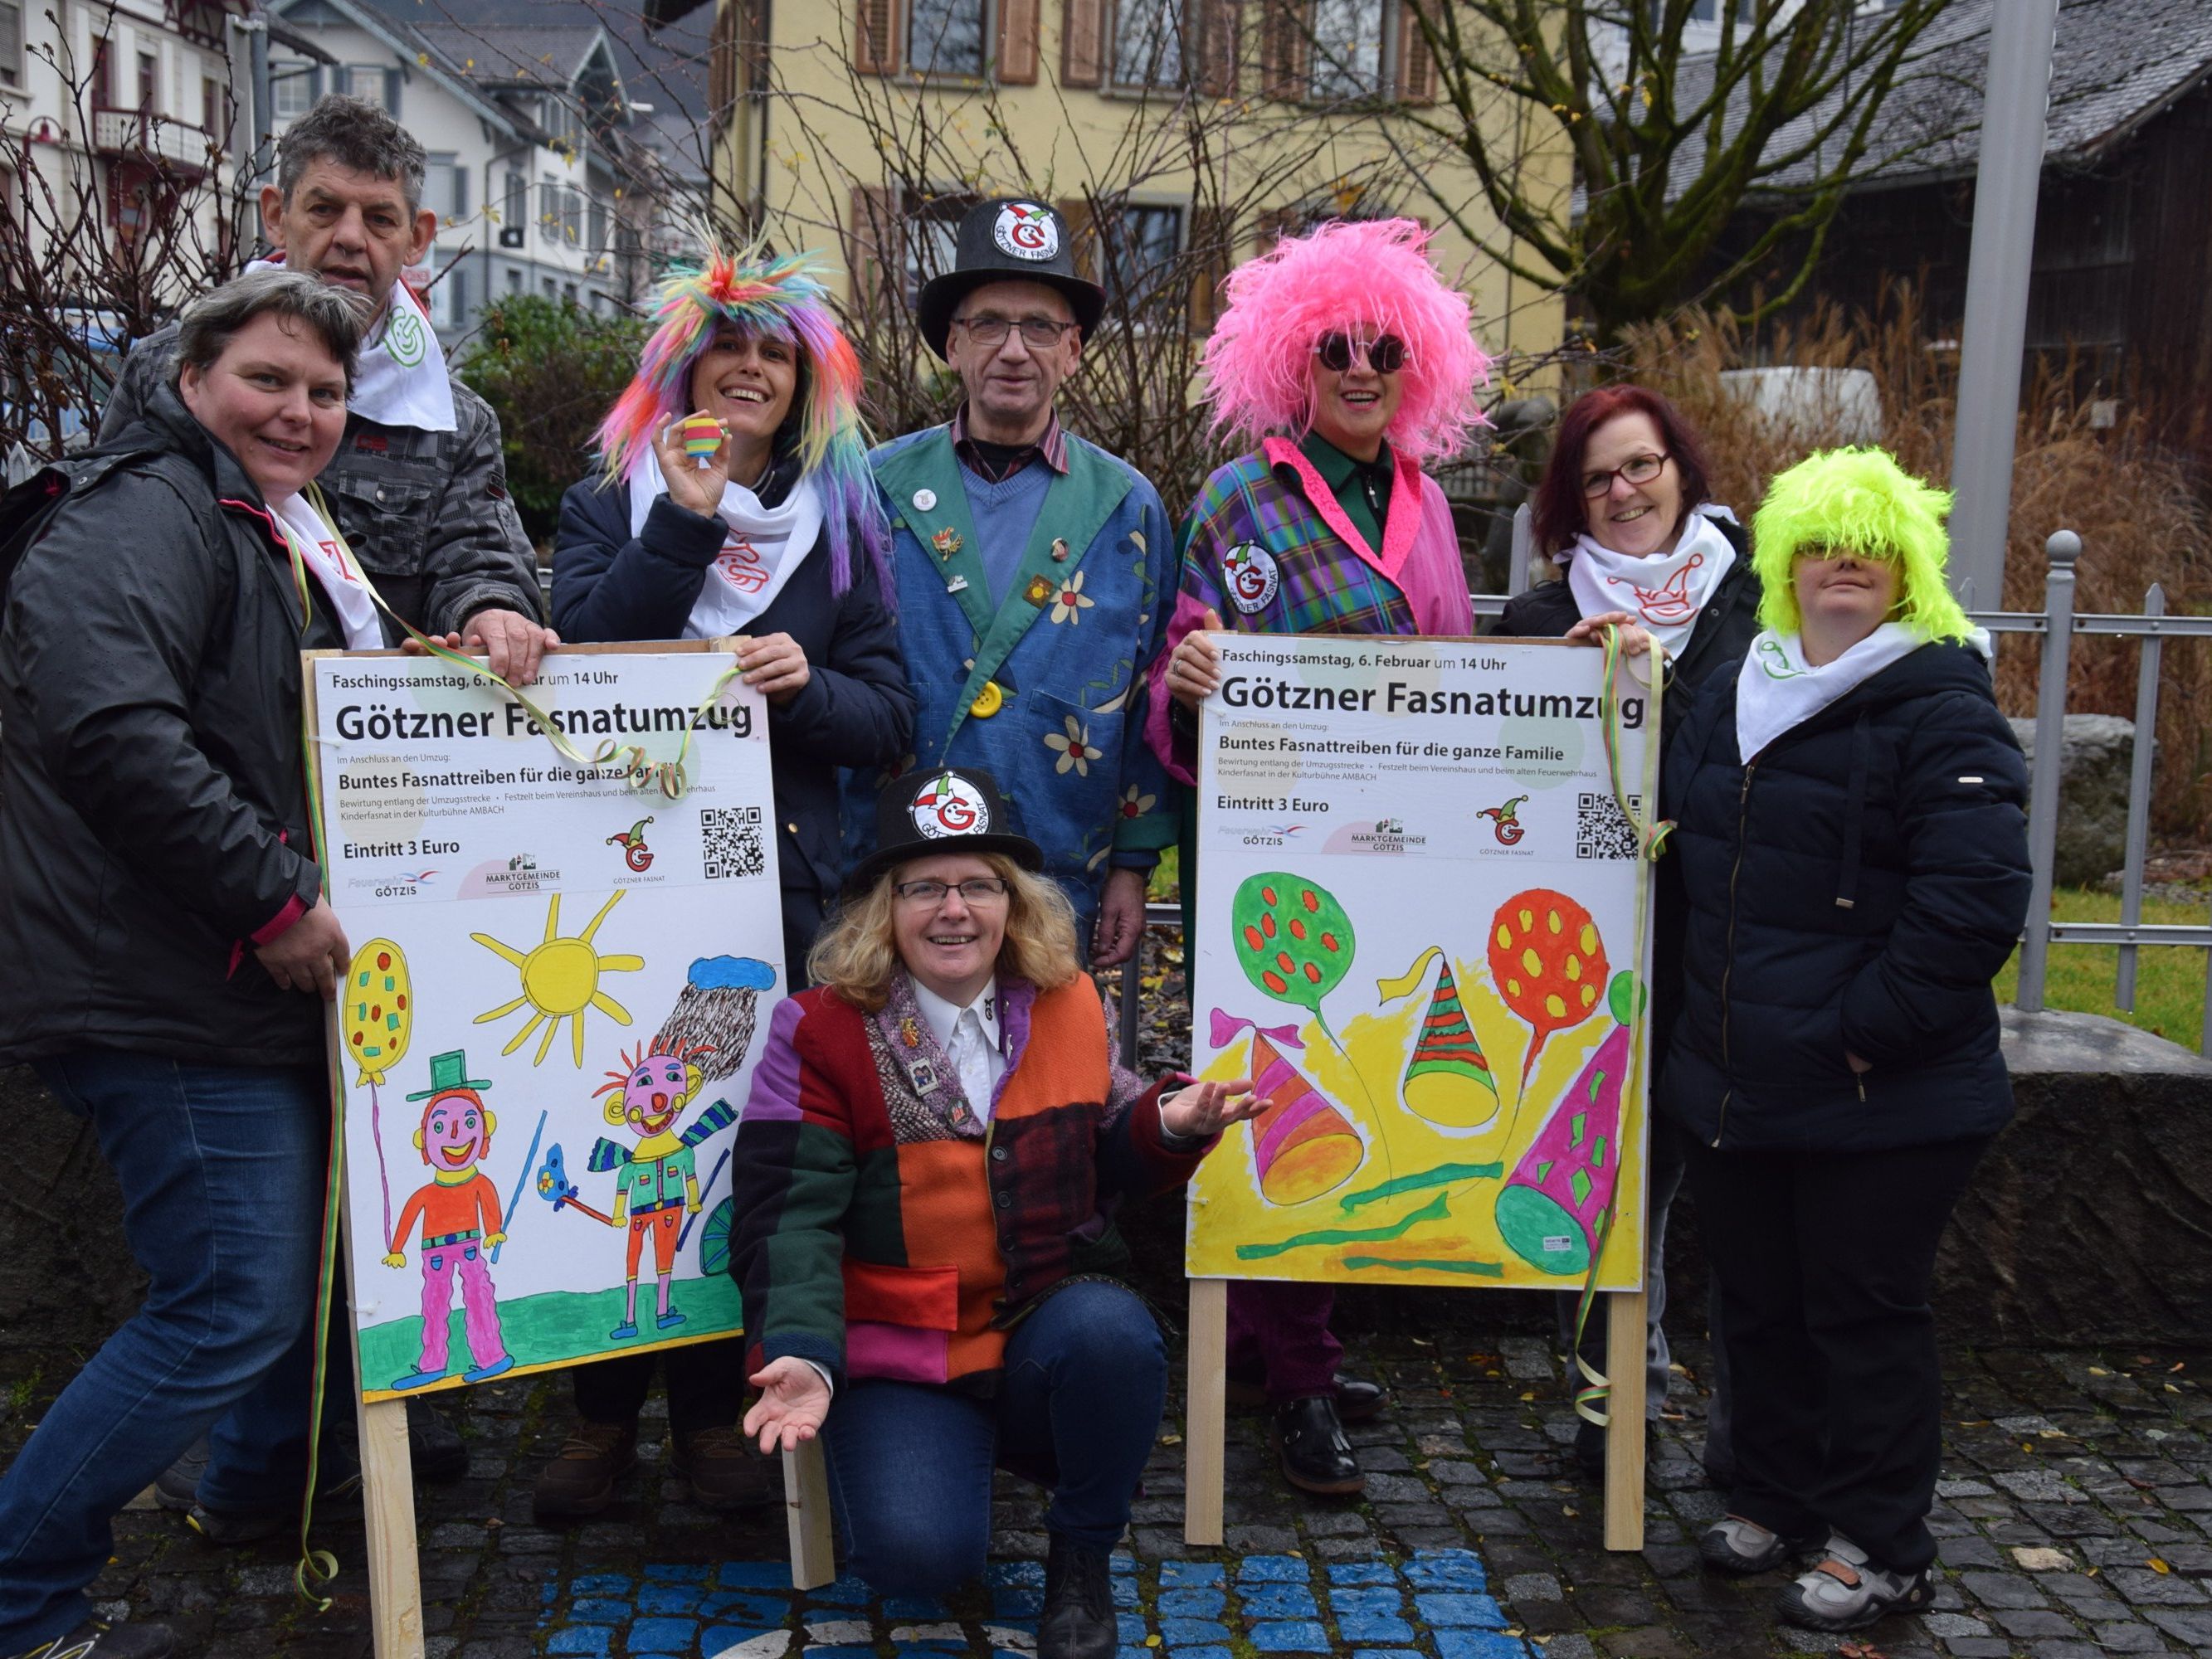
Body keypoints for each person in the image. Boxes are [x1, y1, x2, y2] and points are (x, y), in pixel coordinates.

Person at [0, 269, 369, 1659]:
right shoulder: (141, 507)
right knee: (229, 1307)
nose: (299, 410)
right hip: (162, 986)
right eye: (266, 380)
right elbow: (112, 729)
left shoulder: (262, 522)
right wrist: (274, 902)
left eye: (325, 391)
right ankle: (23, 1598)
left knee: (261, 1297)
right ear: (188, 380)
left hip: (201, 983)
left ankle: (246, 1500)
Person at [538, 246, 912, 1519]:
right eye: (726, 350)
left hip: (773, 897)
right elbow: (580, 653)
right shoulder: (609, 502)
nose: (748, 369)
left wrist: (810, 690)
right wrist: (686, 519)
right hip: (618, 886)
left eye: (774, 355)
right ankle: (597, 1417)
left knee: (724, 1157)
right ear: (683, 368)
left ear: (802, 382)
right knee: (613, 1130)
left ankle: (708, 1411)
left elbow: (889, 718)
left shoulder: (843, 531)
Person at [732, 765, 1258, 1659]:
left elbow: (1102, 1140)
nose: (954, 909)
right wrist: (804, 1353)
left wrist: (1166, 1123)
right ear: (882, 909)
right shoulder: (814, 1029)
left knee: (1112, 1332)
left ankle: (1080, 1559)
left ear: (1012, 904)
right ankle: (933, 1459)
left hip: (1029, 1329)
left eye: (979, 884)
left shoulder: (1067, 1001)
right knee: (916, 1557)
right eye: (925, 887)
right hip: (902, 1352)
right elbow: (788, 1215)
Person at [1660, 448, 2029, 1632]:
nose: (1843, 565)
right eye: (1821, 543)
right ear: (1783, 561)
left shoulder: (1939, 699)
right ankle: (1770, 1498)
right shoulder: (1739, 686)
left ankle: (1881, 1544)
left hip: (1878, 1093)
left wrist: (1861, 1040)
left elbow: (1969, 904)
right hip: (1739, 1079)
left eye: (1871, 548)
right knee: (1757, 1304)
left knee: (1860, 1317)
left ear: (1907, 568)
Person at [1148, 217, 1488, 1496]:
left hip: (1403, 853)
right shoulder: (1242, 497)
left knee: (1364, 1085)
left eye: (1383, 349)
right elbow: (1187, 659)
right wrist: (1187, 677)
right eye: (1335, 348)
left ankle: (1283, 1338)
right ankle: (1295, 1384)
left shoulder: (1430, 504)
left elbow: (1463, 680)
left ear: (1419, 366)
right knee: (1279, 1087)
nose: (1360, 368)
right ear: (1296, 361)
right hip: (1282, 859)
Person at [1496, 384, 1761, 1481]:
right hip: (1591, 963)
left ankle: (1756, 1451)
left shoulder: (1756, 605)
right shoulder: (1536, 620)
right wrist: (1572, 679)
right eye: (1597, 476)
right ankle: (1615, 1419)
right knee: (1601, 1207)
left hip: (1736, 956)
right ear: (1568, 501)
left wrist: (1650, 685)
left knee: (1753, 1228)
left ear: (1679, 470)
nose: (1623, 492)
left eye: (1640, 466)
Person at [100, 94, 554, 686]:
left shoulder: (456, 422)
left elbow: (480, 559)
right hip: (201, 733)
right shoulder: (169, 369)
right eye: (324, 209)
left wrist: (489, 614)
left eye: (379, 219)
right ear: (274, 213)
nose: (349, 237)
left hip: (380, 754)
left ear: (417, 237)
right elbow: (107, 551)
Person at [851, 197, 1176, 967]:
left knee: (1045, 1084)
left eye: (1041, 328)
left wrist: (1132, 867)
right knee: (894, 1080)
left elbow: (1148, 699)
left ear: (1073, 351)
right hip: (900, 871)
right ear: (953, 345)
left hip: (1056, 866)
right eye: (990, 324)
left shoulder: (1127, 506)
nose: (1014, 350)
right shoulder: (874, 489)